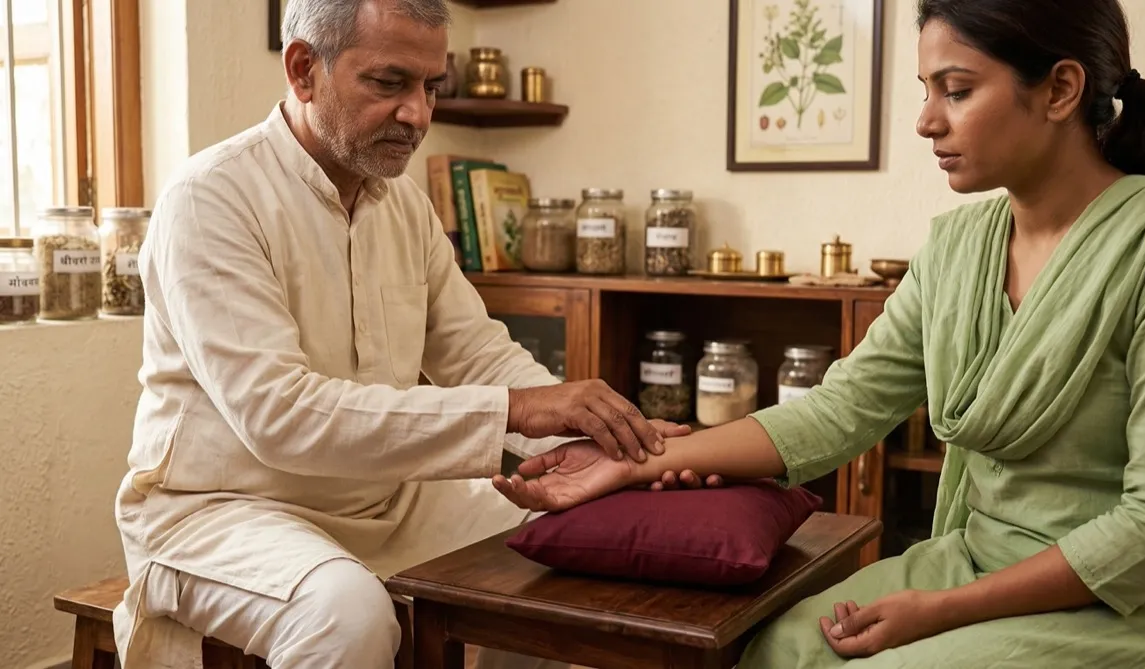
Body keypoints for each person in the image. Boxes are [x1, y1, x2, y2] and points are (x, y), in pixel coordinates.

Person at [493, 0, 1145, 666]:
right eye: (925, 90)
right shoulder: (958, 249)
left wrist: (945, 609)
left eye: (955, 91)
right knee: (779, 648)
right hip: (972, 557)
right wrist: (632, 462)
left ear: (1060, 90)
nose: (926, 121)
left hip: (1121, 598)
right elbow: (839, 410)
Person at [110, 1, 707, 667]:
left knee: (572, 536)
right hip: (220, 512)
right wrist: (522, 409)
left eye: (431, 87)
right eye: (390, 83)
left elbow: (475, 353)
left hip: (387, 500)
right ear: (304, 70)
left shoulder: (403, 204)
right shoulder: (211, 197)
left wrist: (598, 440)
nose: (419, 114)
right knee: (345, 613)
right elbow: (278, 414)